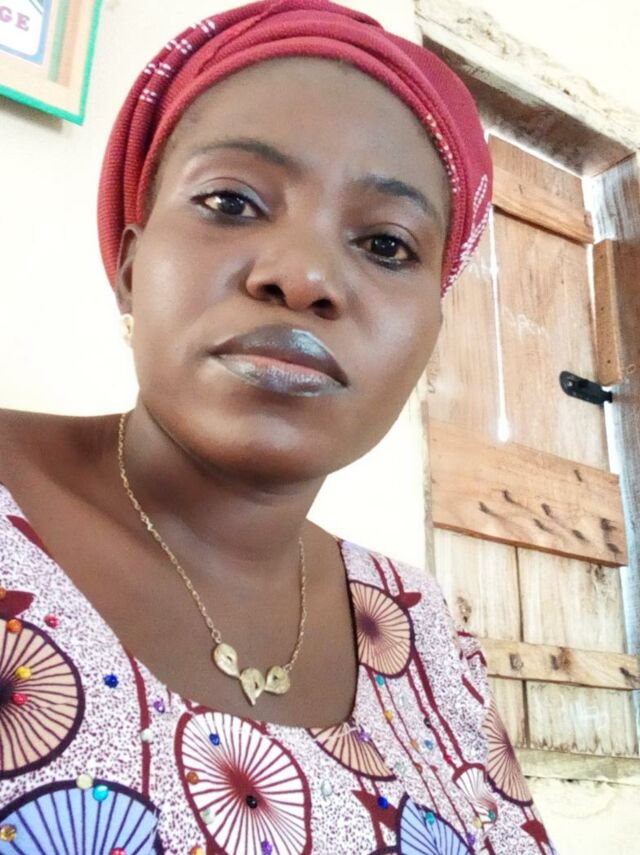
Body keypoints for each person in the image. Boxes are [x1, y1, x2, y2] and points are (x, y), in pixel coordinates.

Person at [0, 1, 555, 852]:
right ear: (131, 268)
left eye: (387, 245)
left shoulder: (424, 630)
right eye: (231, 200)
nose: (302, 277)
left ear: (430, 333)